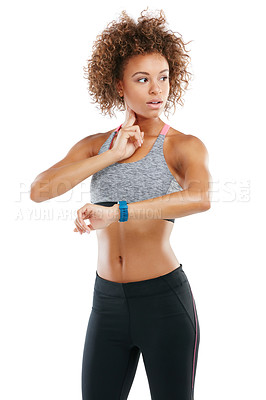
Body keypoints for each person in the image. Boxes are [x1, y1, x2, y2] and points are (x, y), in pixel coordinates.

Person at [30, 8, 211, 400]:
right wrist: (110, 156)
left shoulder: (182, 145)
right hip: (107, 304)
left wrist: (119, 212)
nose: (156, 90)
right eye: (142, 79)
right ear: (119, 85)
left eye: (162, 78)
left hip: (164, 302)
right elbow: (40, 190)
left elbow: (200, 198)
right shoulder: (96, 145)